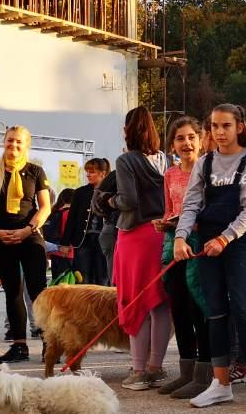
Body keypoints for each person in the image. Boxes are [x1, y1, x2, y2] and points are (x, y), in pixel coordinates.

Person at [174, 104, 246, 412]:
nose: (219, 132)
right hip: (206, 245)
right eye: (214, 126)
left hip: (236, 246)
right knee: (215, 314)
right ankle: (220, 384)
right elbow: (191, 203)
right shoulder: (204, 163)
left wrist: (225, 238)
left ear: (239, 127)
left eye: (226, 126)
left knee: (244, 314)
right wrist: (181, 238)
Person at [109, 107, 172, 390]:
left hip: (135, 235)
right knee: (159, 302)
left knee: (134, 301)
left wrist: (110, 202)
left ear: (128, 130)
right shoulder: (166, 160)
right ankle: (156, 367)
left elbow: (129, 200)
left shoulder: (125, 161)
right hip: (162, 232)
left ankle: (137, 369)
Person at [0, 126, 52, 364]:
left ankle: (48, 344)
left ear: (26, 146)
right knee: (12, 292)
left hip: (30, 236)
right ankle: (19, 346)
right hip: (1, 238)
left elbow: (45, 208)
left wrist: (27, 230)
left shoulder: (36, 171)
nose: (13, 146)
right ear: (4, 142)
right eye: (10, 141)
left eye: (19, 142)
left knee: (38, 292)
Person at [154, 117, 211, 398]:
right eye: (180, 138)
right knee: (177, 305)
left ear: (201, 140)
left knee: (196, 305)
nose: (186, 143)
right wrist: (164, 222)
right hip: (173, 242)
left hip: (199, 243)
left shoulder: (210, 169)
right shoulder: (170, 175)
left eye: (191, 137)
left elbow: (212, 210)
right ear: (172, 144)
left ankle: (204, 372)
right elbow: (169, 208)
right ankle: (186, 371)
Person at [73, 157, 111, 286]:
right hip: (84, 240)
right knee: (83, 277)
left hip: (104, 238)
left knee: (103, 276)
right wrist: (65, 243)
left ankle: (102, 305)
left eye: (92, 172)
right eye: (87, 171)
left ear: (103, 173)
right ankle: (84, 305)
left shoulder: (112, 191)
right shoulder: (80, 192)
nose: (88, 175)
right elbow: (73, 217)